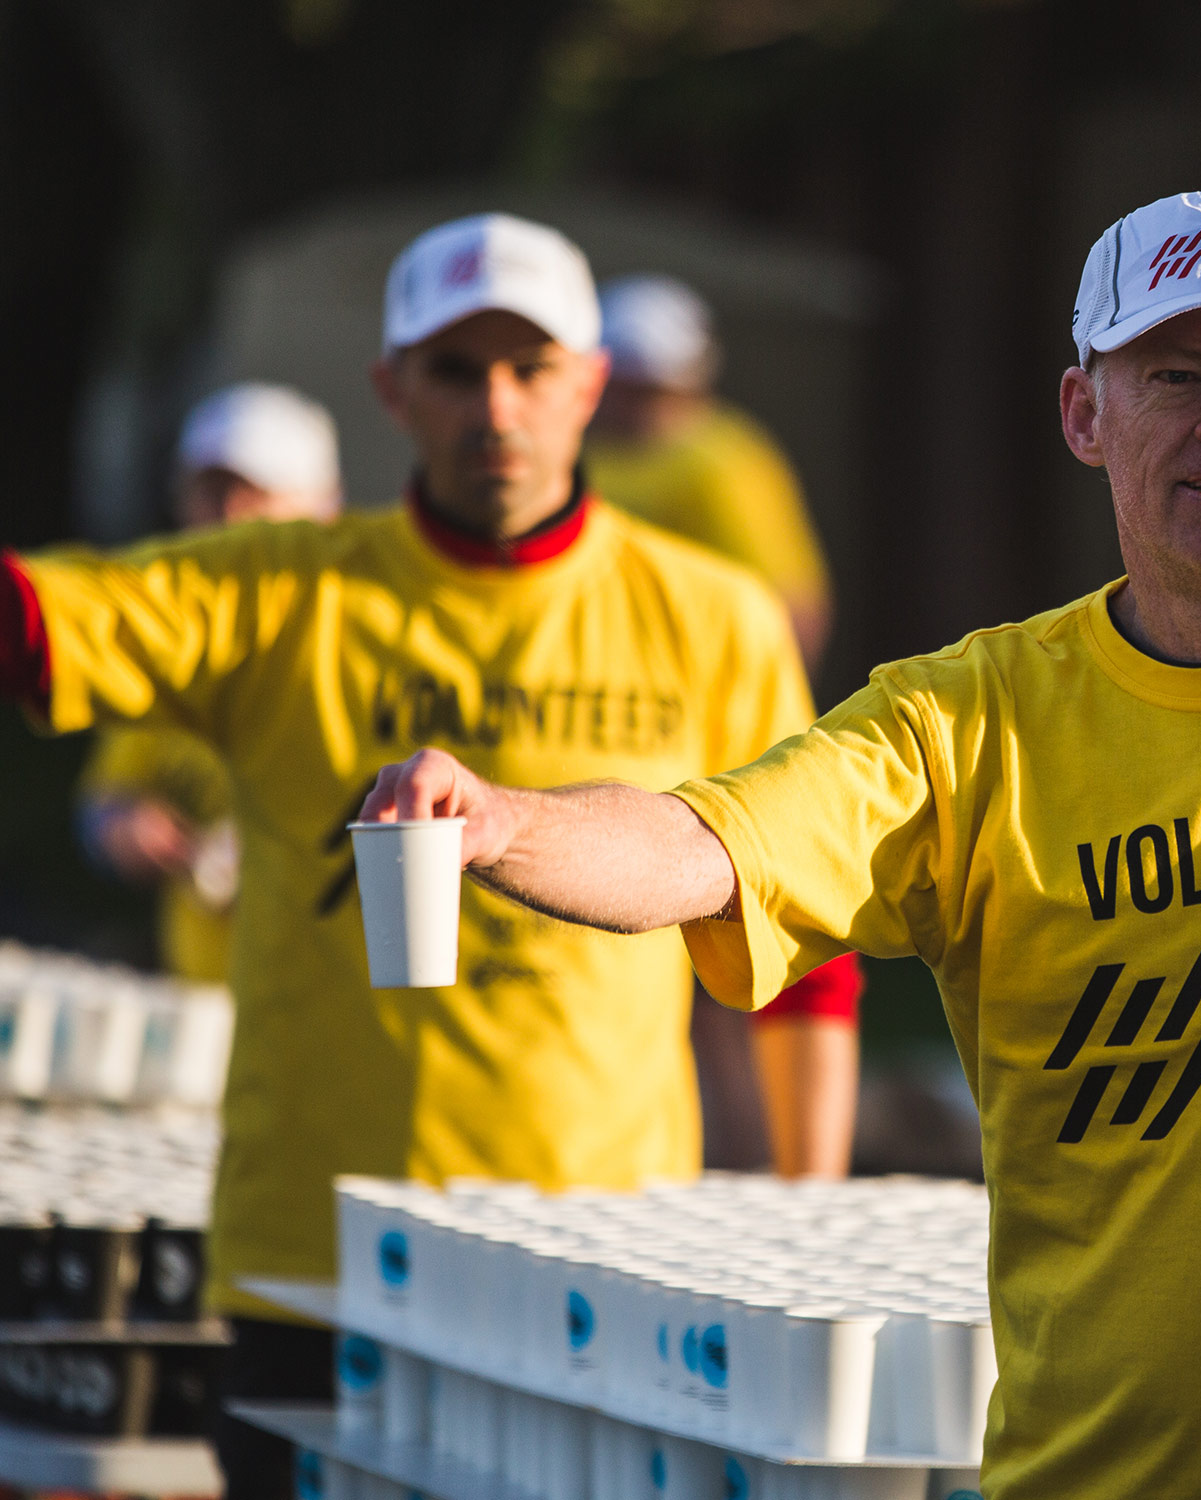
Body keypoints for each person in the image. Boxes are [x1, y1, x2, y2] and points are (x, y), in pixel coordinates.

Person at [363, 190, 1201, 1499]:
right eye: (1176, 374)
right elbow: (709, 842)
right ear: (1086, 413)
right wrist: (505, 821)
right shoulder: (972, 721)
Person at [0, 212, 856, 1498]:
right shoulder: (277, 589)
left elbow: (804, 942)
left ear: (592, 381)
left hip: (599, 1275)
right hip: (313, 1258)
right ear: (391, 389)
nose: (496, 407)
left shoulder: (713, 616)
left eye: (529, 367)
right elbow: (39, 624)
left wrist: (808, 1232)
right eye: (455, 370)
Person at [587, 274, 857, 1172]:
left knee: (732, 985)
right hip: (621, 741)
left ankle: (750, 1175)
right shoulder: (601, 462)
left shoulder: (722, 460)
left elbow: (791, 606)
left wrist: (756, 747)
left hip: (706, 753)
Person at [76, 383, 343, 982]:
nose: (228, 516)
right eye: (213, 492)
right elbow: (104, 804)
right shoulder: (171, 648)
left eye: (256, 495)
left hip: (327, 1012)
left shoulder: (359, 644)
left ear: (325, 508)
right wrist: (130, 828)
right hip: (198, 1001)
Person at [586, 274, 834, 670]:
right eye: (622, 388)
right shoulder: (566, 448)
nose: (633, 408)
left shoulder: (726, 463)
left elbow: (794, 607)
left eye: (653, 391)